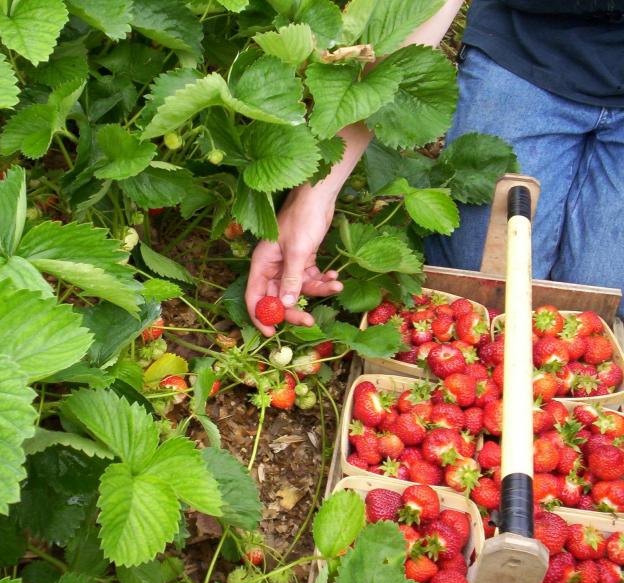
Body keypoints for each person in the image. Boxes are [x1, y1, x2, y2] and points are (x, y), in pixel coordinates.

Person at [246, 0, 624, 336]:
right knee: (481, 296)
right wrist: (314, 197)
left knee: (601, 312)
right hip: (526, 44)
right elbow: (413, 13)